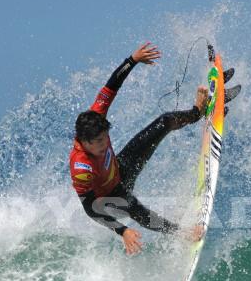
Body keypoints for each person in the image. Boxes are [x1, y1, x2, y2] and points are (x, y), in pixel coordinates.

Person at [70, 42, 207, 255]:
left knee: (164, 121)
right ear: (84, 142)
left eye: (105, 138)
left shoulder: (96, 115)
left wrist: (132, 60)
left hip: (120, 169)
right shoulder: (81, 169)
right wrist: (122, 230)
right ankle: (183, 233)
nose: (104, 144)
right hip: (108, 199)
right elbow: (90, 209)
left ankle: (197, 112)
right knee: (135, 208)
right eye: (98, 143)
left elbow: (112, 85)